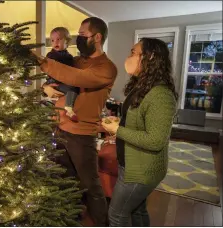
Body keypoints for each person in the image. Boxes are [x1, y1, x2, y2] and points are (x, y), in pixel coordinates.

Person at [36, 17, 117, 226]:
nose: (79, 39)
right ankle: (69, 219)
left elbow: (73, 77)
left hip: (82, 134)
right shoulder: (77, 60)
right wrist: (45, 88)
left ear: (97, 37)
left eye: (82, 35)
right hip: (59, 127)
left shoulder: (106, 68)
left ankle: (102, 223)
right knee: (64, 180)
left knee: (91, 186)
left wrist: (40, 60)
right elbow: (57, 79)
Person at [101, 38, 178, 226]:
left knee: (116, 215)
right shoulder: (141, 87)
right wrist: (120, 122)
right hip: (129, 163)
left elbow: (156, 140)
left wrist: (118, 130)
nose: (129, 57)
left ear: (149, 57)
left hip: (142, 170)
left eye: (133, 52)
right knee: (137, 211)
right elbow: (139, 121)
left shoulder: (160, 94)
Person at [45, 27, 79, 122]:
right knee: (72, 87)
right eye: (52, 40)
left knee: (74, 88)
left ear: (67, 41)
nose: (55, 42)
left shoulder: (69, 57)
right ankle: (69, 107)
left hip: (63, 82)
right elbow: (48, 69)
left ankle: (68, 107)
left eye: (58, 39)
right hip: (55, 81)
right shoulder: (51, 55)